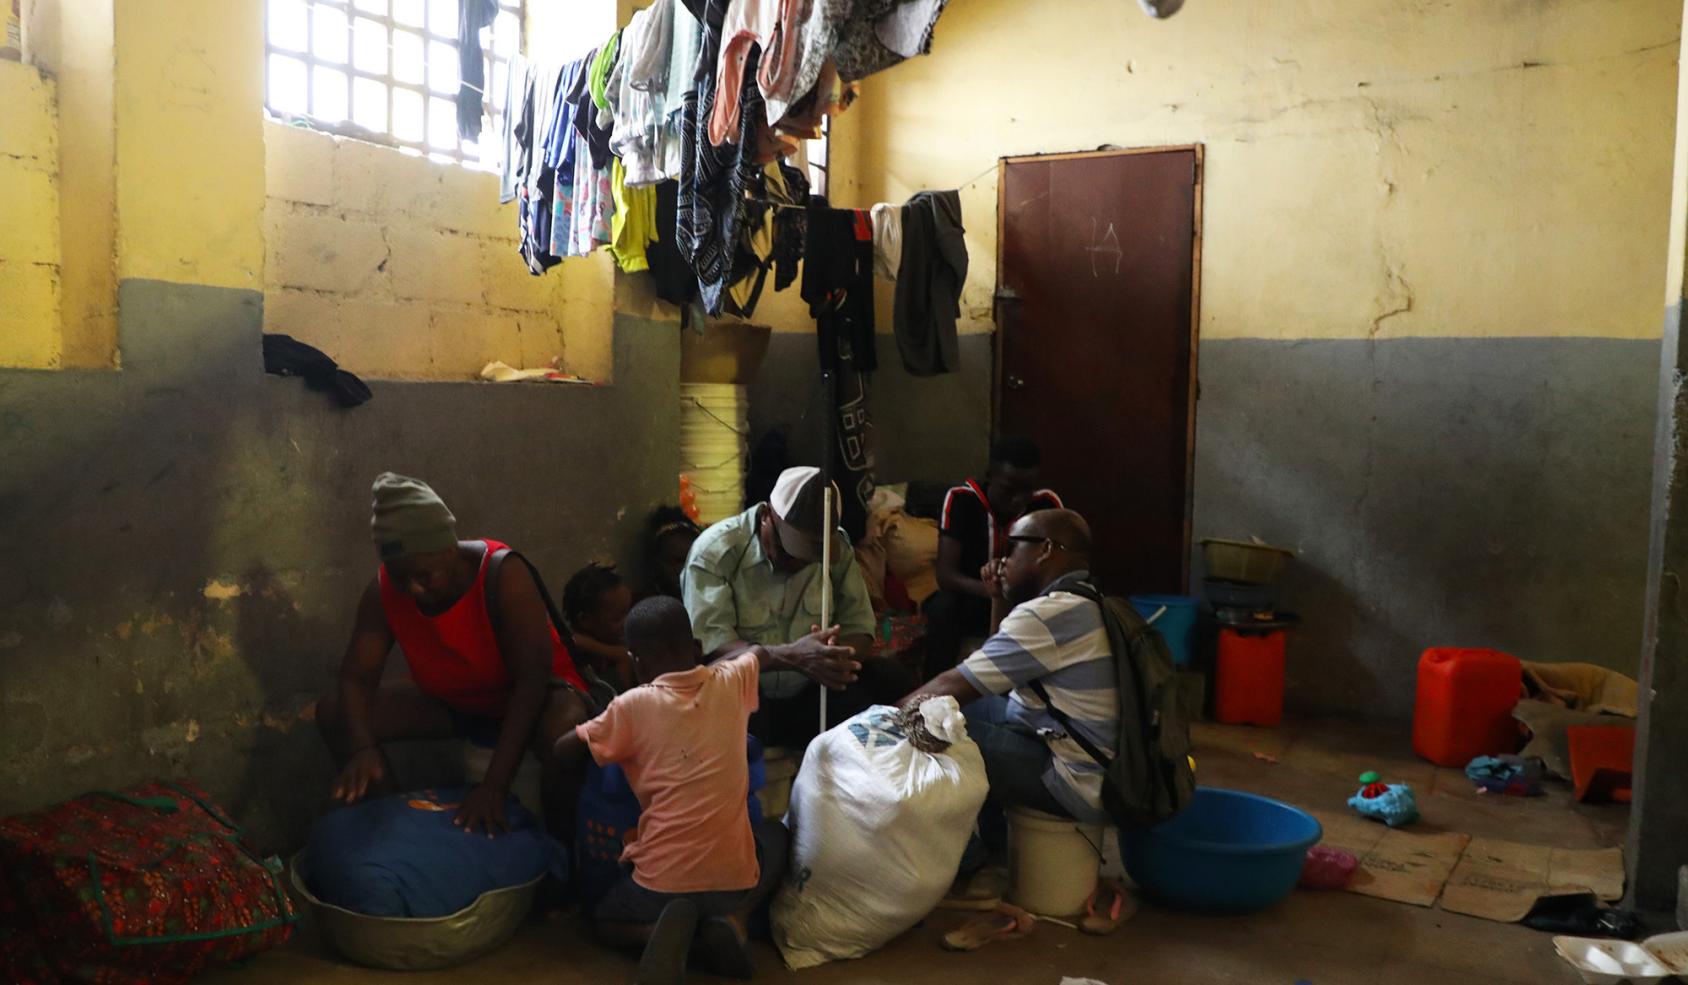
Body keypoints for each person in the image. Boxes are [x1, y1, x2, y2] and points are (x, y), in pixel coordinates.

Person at [555, 596, 859, 984]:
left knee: (601, 922)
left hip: (659, 887)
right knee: (777, 834)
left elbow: (562, 749)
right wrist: (799, 651)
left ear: (635, 662)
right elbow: (761, 655)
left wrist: (589, 720)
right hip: (733, 882)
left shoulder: (629, 707)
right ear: (697, 649)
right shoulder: (731, 681)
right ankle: (735, 920)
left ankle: (663, 937)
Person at [315, 472, 592, 842]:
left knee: (564, 739)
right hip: (459, 701)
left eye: (424, 575)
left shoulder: (503, 574)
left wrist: (493, 787)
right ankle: (402, 836)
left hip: (537, 697)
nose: (413, 589)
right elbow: (355, 678)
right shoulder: (384, 590)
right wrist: (363, 747)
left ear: (449, 549)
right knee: (338, 713)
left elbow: (531, 682)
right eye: (401, 579)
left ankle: (562, 862)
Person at [900, 508, 1116, 828]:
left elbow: (954, 684)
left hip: (1076, 783)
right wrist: (999, 598)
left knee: (934, 728)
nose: (1004, 560)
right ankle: (995, 834)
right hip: (1101, 771)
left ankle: (965, 854)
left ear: (1044, 550)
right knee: (972, 711)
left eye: (1014, 546)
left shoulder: (1047, 614)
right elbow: (994, 672)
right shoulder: (1091, 602)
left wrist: (884, 721)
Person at [683, 466, 916, 747]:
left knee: (886, 679)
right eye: (789, 552)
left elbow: (860, 628)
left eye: (810, 557)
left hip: (812, 691)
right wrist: (793, 655)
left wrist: (832, 657)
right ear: (767, 516)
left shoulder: (836, 547)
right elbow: (713, 647)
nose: (798, 563)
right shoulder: (716, 553)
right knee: (735, 695)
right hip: (751, 697)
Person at [924, 439, 1064, 679]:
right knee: (942, 607)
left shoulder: (1045, 505)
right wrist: (994, 590)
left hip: (1024, 600)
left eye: (1026, 491)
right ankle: (933, 693)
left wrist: (1012, 593)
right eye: (1008, 489)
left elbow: (1057, 569)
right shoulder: (962, 500)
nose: (1018, 500)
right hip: (975, 599)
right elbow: (946, 575)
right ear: (990, 477)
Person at [564, 561, 635, 691]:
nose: (628, 622)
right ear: (585, 620)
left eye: (629, 611)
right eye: (616, 619)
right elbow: (625, 656)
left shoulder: (613, 639)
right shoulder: (574, 652)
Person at [639, 506, 703, 602]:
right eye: (677, 561)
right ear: (656, 562)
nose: (686, 569)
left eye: (693, 559)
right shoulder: (649, 609)